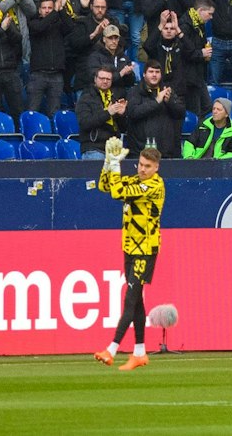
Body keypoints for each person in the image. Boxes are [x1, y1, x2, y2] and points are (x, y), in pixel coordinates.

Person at [95, 141, 165, 370]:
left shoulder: (153, 186)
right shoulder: (136, 180)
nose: (142, 169)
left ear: (156, 168)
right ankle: (140, 353)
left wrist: (116, 166)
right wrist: (108, 163)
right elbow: (105, 186)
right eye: (141, 164)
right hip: (129, 247)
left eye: (148, 166)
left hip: (145, 249)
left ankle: (112, 349)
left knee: (130, 299)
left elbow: (117, 191)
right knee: (137, 302)